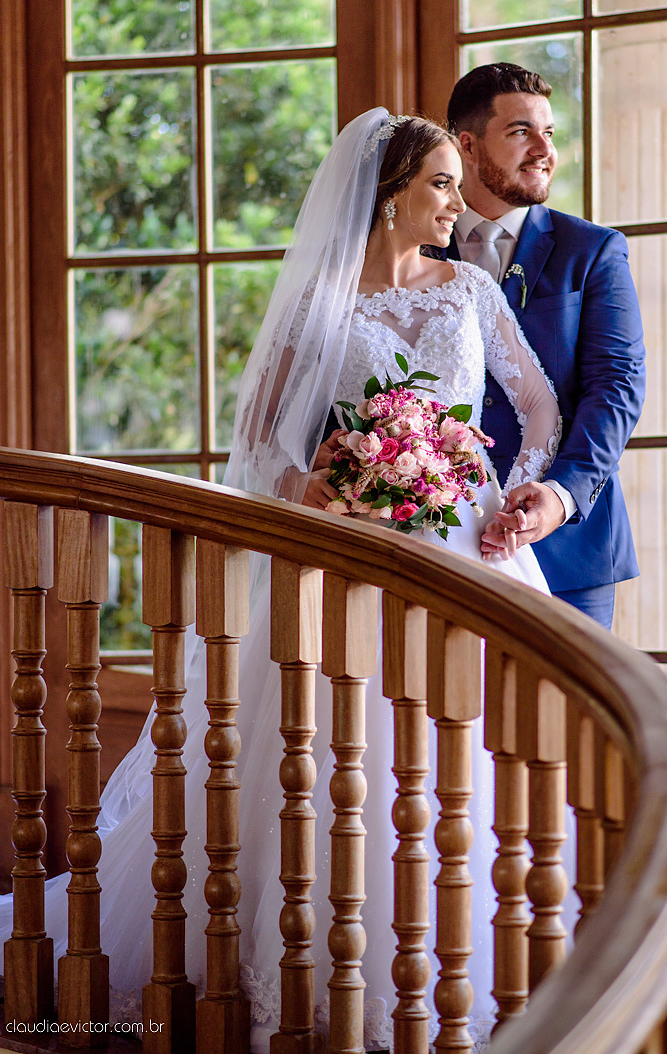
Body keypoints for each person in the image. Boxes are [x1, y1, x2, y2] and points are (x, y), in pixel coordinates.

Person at [0, 109, 571, 1050]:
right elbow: (260, 439)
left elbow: (538, 414)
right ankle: (305, 978)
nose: (454, 200)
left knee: (458, 762)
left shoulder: (469, 289)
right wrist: (310, 482)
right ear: (387, 194)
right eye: (436, 182)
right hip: (346, 552)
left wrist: (504, 500)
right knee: (329, 760)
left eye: (451, 184)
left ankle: (459, 975)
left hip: (467, 551)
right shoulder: (319, 301)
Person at [443, 63, 646, 630]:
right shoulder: (413, 255)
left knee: (563, 720)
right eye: (520, 132)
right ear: (468, 144)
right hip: (437, 539)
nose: (543, 150)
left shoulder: (594, 251)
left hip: (568, 553)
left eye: (549, 133)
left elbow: (618, 386)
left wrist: (561, 495)